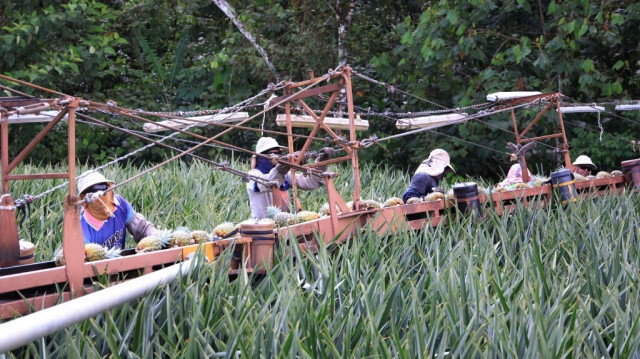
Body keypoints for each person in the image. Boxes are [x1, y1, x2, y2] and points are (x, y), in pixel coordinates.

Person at [247, 137, 335, 219]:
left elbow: (310, 182)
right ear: (261, 157)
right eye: (272, 154)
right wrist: (283, 166)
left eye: (278, 153)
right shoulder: (252, 176)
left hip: (284, 223)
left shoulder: (287, 175)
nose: (276, 157)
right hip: (263, 227)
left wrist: (322, 161)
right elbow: (268, 182)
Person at [78, 171, 157, 249]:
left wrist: (154, 236)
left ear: (108, 187)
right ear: (83, 197)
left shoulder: (120, 204)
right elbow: (87, 256)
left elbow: (142, 229)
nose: (99, 194)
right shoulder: (82, 227)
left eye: (102, 187)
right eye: (92, 190)